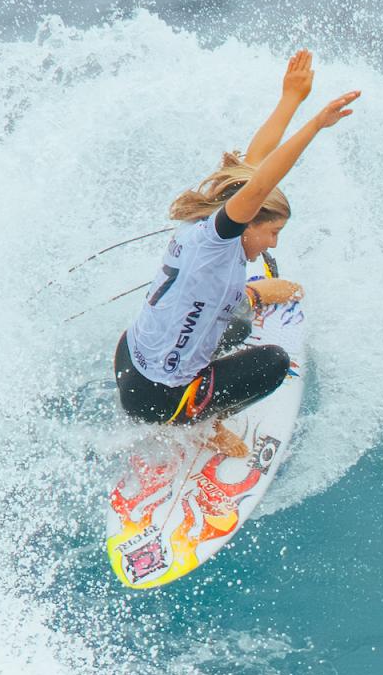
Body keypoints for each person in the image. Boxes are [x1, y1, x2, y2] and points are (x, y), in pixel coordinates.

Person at [113, 50, 359, 456]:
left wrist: (290, 99)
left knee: (240, 325)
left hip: (128, 358)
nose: (273, 243)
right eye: (273, 232)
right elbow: (260, 184)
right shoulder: (220, 239)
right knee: (273, 363)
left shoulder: (206, 217)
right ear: (248, 222)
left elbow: (252, 165)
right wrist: (315, 124)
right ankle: (203, 422)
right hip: (159, 398)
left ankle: (249, 302)